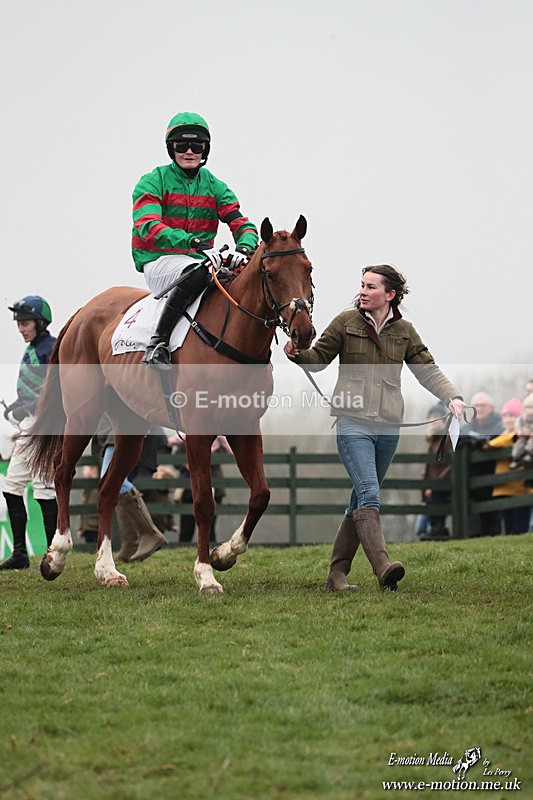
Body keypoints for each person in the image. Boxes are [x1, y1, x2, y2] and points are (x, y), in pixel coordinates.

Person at [284, 265, 466, 592]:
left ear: (390, 294)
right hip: (352, 423)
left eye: (371, 286)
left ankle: (336, 575)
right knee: (369, 491)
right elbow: (319, 358)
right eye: (362, 285)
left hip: (389, 428)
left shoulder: (404, 332)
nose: (363, 291)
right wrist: (298, 354)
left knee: (360, 500)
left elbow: (427, 369)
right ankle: (382, 566)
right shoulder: (345, 322)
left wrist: (452, 397)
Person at [132, 111, 259, 369]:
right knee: (199, 272)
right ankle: (158, 343)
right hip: (158, 261)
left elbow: (241, 223)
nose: (189, 151)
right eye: (181, 145)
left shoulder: (215, 186)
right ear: (171, 149)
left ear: (205, 150)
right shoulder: (151, 182)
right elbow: (149, 226)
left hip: (200, 260)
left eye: (197, 146)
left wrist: (244, 249)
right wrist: (194, 243)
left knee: (238, 276)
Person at [1, 296, 57, 570]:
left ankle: (51, 555)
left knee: (45, 490)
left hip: (46, 425)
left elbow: (56, 390)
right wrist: (18, 405)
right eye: (19, 324)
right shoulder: (33, 348)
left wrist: (31, 407)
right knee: (12, 485)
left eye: (25, 323)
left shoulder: (52, 348)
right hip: (29, 425)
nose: (21, 329)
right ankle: (21, 554)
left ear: (40, 322)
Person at [91, 416, 168, 562]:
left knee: (112, 482)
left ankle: (149, 533)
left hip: (119, 432)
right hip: (123, 432)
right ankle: (130, 545)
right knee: (118, 488)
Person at [168, 434, 232, 544]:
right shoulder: (186, 441)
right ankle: (183, 549)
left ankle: (209, 550)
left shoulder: (220, 446)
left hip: (214, 489)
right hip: (189, 490)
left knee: (210, 527)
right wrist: (186, 464)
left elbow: (223, 458)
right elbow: (176, 461)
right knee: (187, 527)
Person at [457, 391, 503, 536]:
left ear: (491, 407)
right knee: (472, 520)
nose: (479, 409)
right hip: (470, 480)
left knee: (492, 520)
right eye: (476, 406)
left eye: (482, 405)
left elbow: (498, 439)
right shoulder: (468, 427)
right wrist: (471, 442)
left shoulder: (500, 424)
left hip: (495, 478)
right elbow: (458, 442)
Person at [484, 398, 532, 534]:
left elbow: (507, 441)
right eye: (506, 416)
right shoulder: (500, 434)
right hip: (503, 487)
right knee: (508, 525)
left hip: (520, 488)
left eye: (513, 416)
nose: (509, 419)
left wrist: (490, 444)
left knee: (520, 527)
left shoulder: (520, 434)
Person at [418, 402, 452, 541]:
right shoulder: (432, 441)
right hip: (432, 486)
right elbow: (428, 468)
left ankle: (438, 530)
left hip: (443, 484)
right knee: (422, 527)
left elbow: (451, 464)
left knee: (433, 521)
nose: (433, 419)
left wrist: (435, 485)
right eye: (430, 416)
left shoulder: (448, 438)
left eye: (437, 416)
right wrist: (426, 485)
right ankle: (435, 531)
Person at [75, 464, 99, 543]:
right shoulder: (86, 489)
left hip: (95, 527)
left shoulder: (97, 488)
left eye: (85, 470)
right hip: (86, 528)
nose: (82, 472)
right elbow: (82, 510)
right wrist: (80, 528)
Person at [509, 393, 533, 470]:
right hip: (523, 436)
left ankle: (529, 456)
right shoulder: (522, 418)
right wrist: (519, 431)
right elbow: (517, 424)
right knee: (518, 446)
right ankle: (516, 459)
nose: (529, 410)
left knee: (531, 444)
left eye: (531, 407)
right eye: (527, 408)